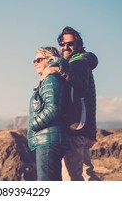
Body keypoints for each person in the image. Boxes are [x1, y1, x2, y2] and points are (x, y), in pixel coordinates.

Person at [42, 26, 99, 181]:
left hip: (77, 129)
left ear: (78, 45)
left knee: (72, 179)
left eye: (70, 43)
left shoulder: (78, 63)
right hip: (84, 128)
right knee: (87, 176)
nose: (65, 47)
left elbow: (80, 85)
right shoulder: (78, 62)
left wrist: (58, 69)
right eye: (62, 43)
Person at [27, 46, 71, 181]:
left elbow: (53, 108)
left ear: (50, 59)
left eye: (39, 60)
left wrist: (34, 124)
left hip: (48, 141)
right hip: (49, 139)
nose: (35, 63)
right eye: (34, 61)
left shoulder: (51, 78)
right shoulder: (51, 77)